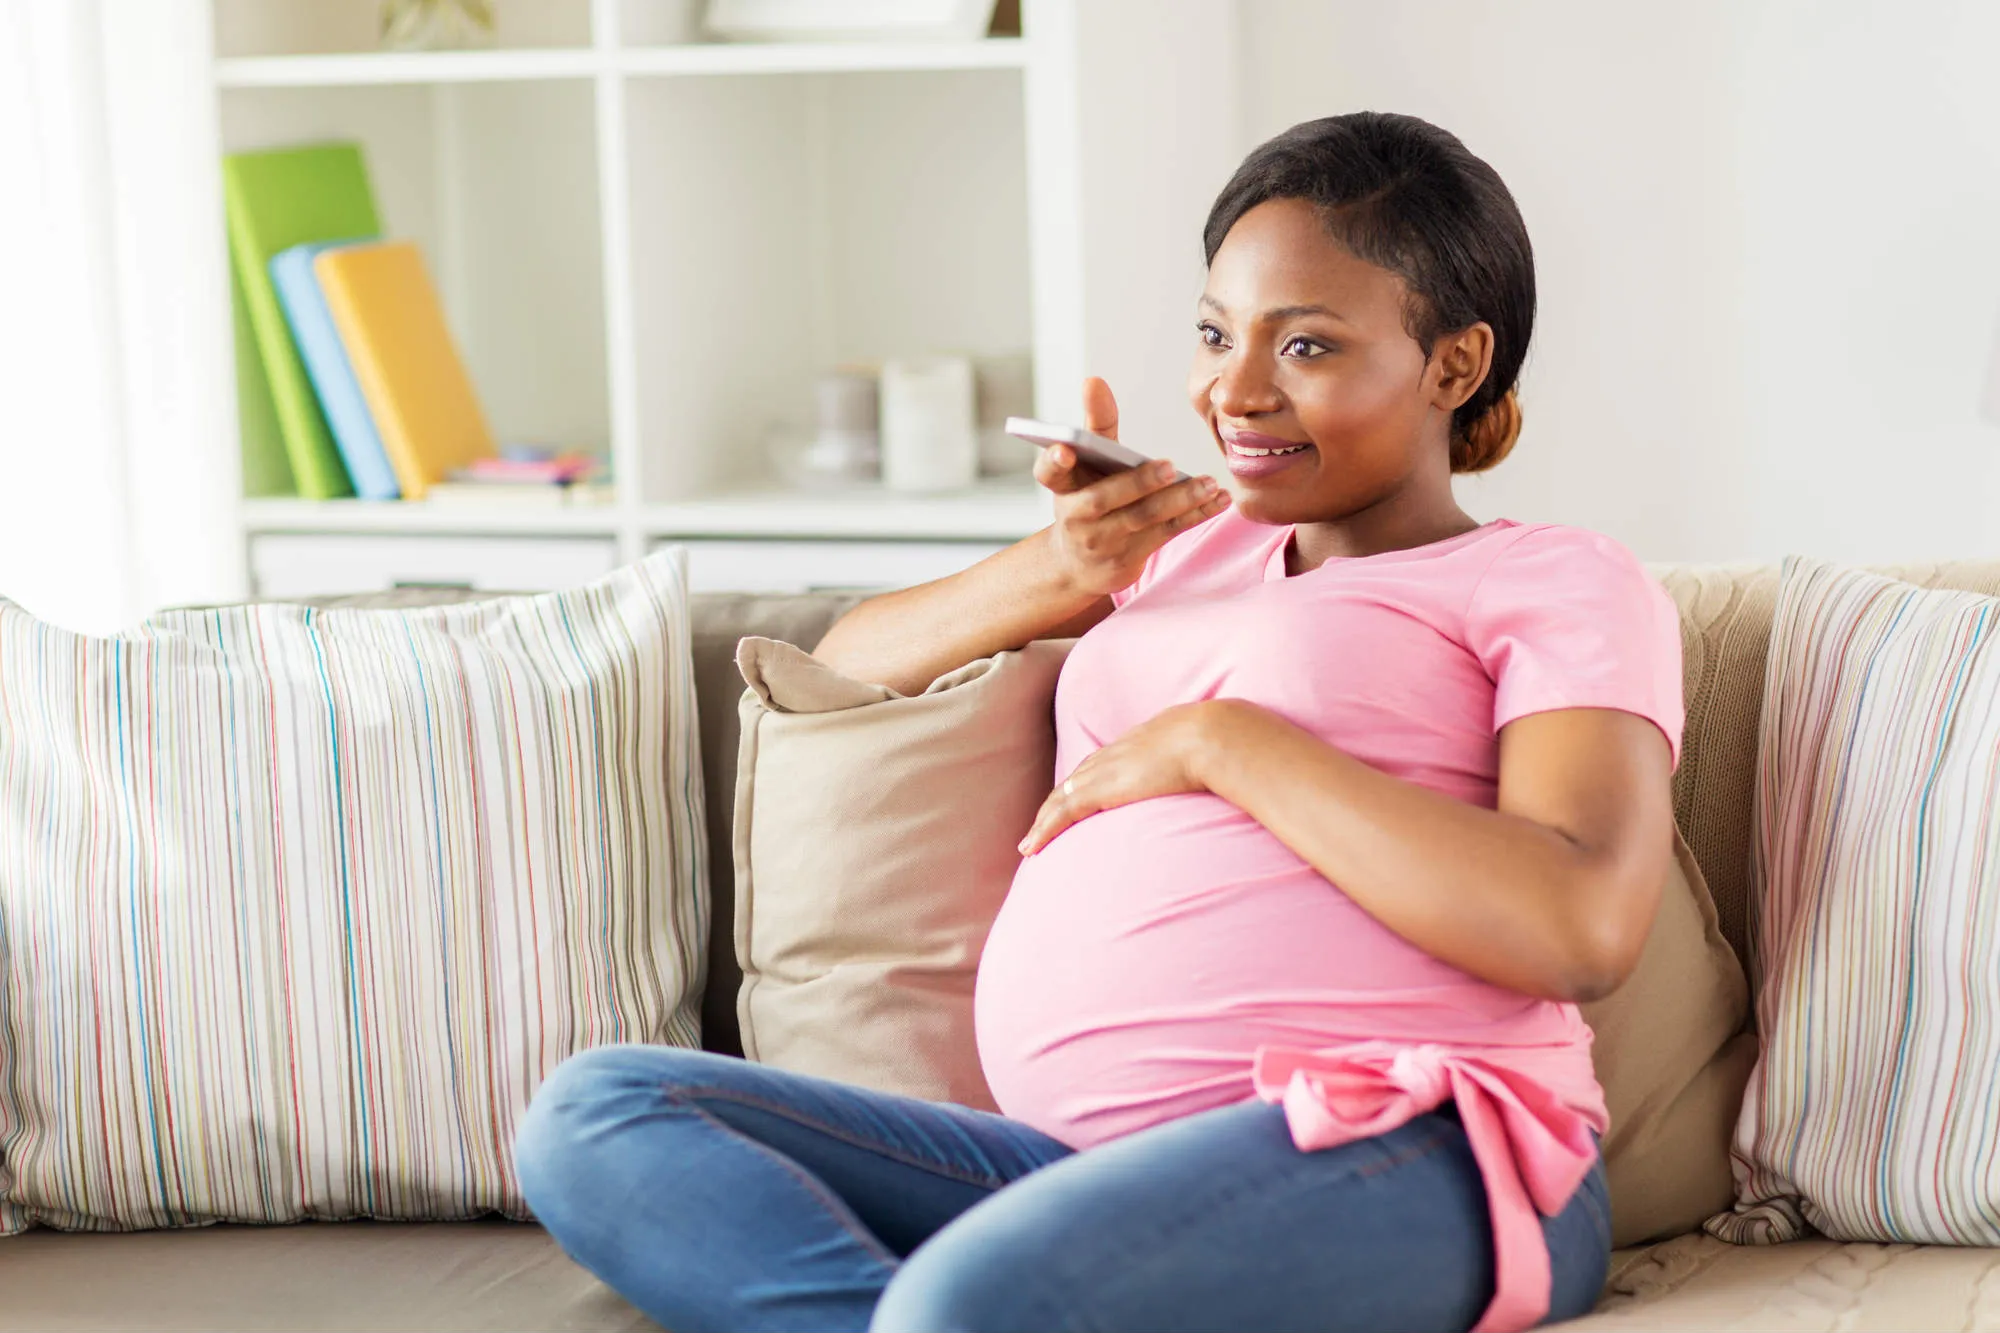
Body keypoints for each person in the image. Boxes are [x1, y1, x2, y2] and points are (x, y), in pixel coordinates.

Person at [513, 111, 1683, 1333]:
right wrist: (1063, 566)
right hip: (1080, 1180)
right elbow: (845, 668)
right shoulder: (1177, 553)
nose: (1234, 391)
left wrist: (1221, 743)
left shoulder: (1552, 578)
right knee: (598, 1114)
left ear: (1453, 365)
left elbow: (1576, 924)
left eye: (1305, 345)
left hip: (1417, 1143)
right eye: (1215, 333)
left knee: (964, 1307)